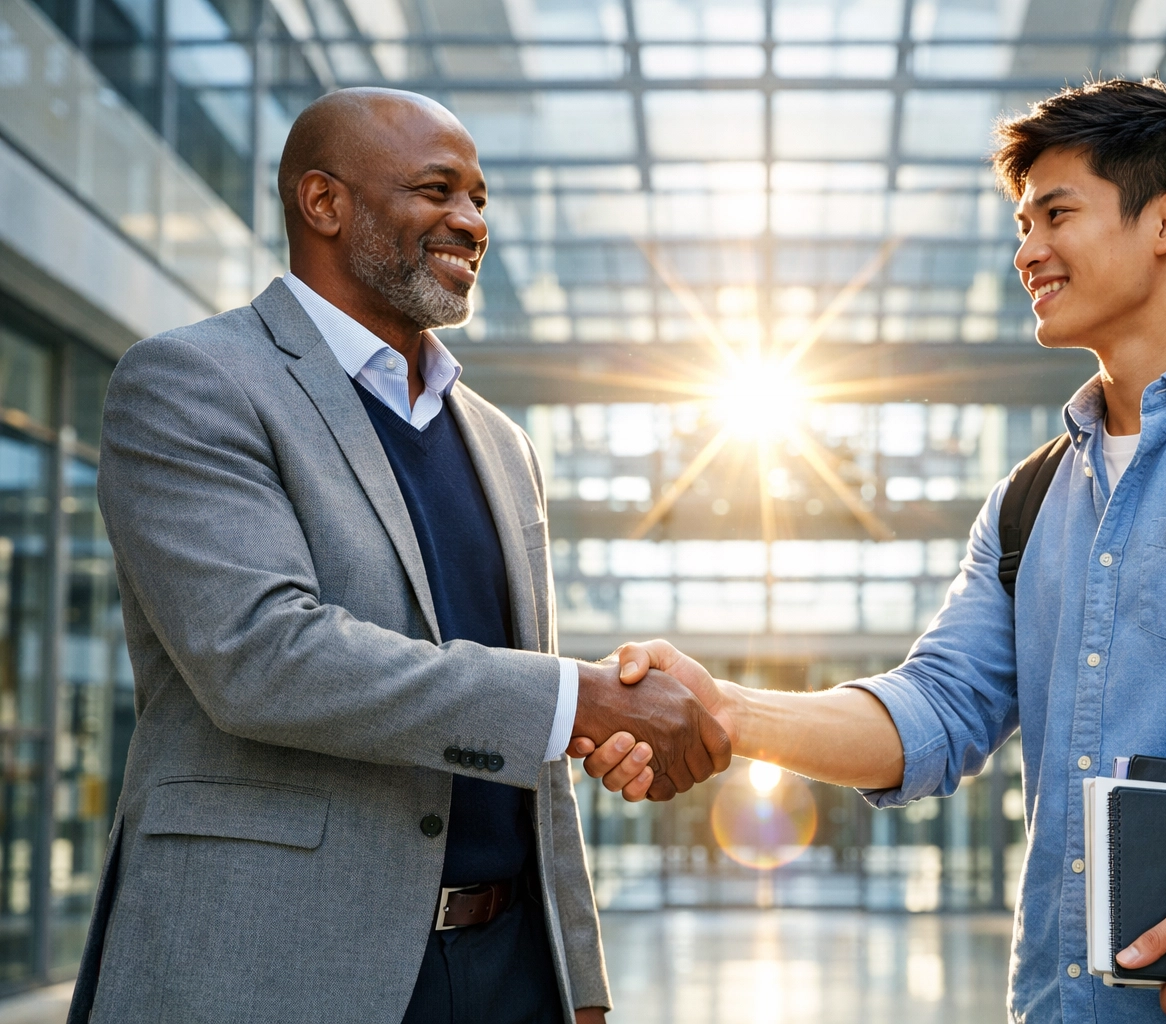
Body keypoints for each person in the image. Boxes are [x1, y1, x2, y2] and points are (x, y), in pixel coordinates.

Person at [572, 79, 1166, 1022]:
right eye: (1022, 223)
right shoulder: (1032, 499)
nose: (1027, 252)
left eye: (1055, 214)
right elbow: (937, 711)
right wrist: (724, 707)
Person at [69, 87, 730, 1024]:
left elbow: (526, 737)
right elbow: (262, 658)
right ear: (323, 203)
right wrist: (581, 698)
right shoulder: (193, 382)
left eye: (481, 199)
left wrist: (577, 978)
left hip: (508, 966)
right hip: (276, 968)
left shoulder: (500, 441)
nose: (470, 221)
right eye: (437, 189)